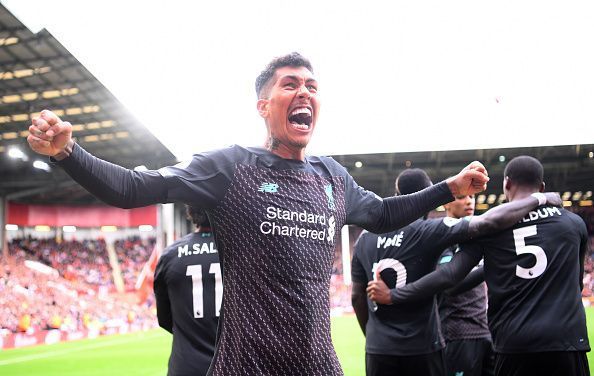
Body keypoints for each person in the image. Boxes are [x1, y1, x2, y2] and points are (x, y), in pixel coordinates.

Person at [28, 52, 490, 376]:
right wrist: (68, 153)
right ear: (263, 106)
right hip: (244, 364)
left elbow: (385, 213)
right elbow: (133, 188)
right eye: (289, 84)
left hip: (318, 365)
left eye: (312, 86)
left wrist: (447, 188)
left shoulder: (332, 177)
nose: (303, 91)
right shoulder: (229, 167)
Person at [387, 156, 590, 376]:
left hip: (513, 343)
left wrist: (396, 295)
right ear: (541, 187)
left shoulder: (490, 229)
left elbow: (451, 278)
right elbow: (576, 286)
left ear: (506, 184)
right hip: (568, 342)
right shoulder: (574, 223)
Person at [352, 168, 559, 376]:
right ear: (427, 196)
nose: (469, 202)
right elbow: (487, 224)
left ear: (397, 194)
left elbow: (356, 298)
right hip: (423, 345)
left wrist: (373, 335)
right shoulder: (428, 231)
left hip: (379, 349)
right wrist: (539, 199)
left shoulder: (364, 238)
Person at [154, 206, 221, 376]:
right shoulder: (243, 252)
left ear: (191, 213)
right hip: (231, 364)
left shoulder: (170, 255)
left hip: (186, 366)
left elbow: (164, 319)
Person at [435, 194, 494, 376]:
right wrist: (489, 265)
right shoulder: (440, 237)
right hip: (457, 334)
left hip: (485, 331)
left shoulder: (478, 235)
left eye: (472, 196)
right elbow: (449, 284)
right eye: (461, 197)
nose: (469, 201)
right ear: (446, 203)